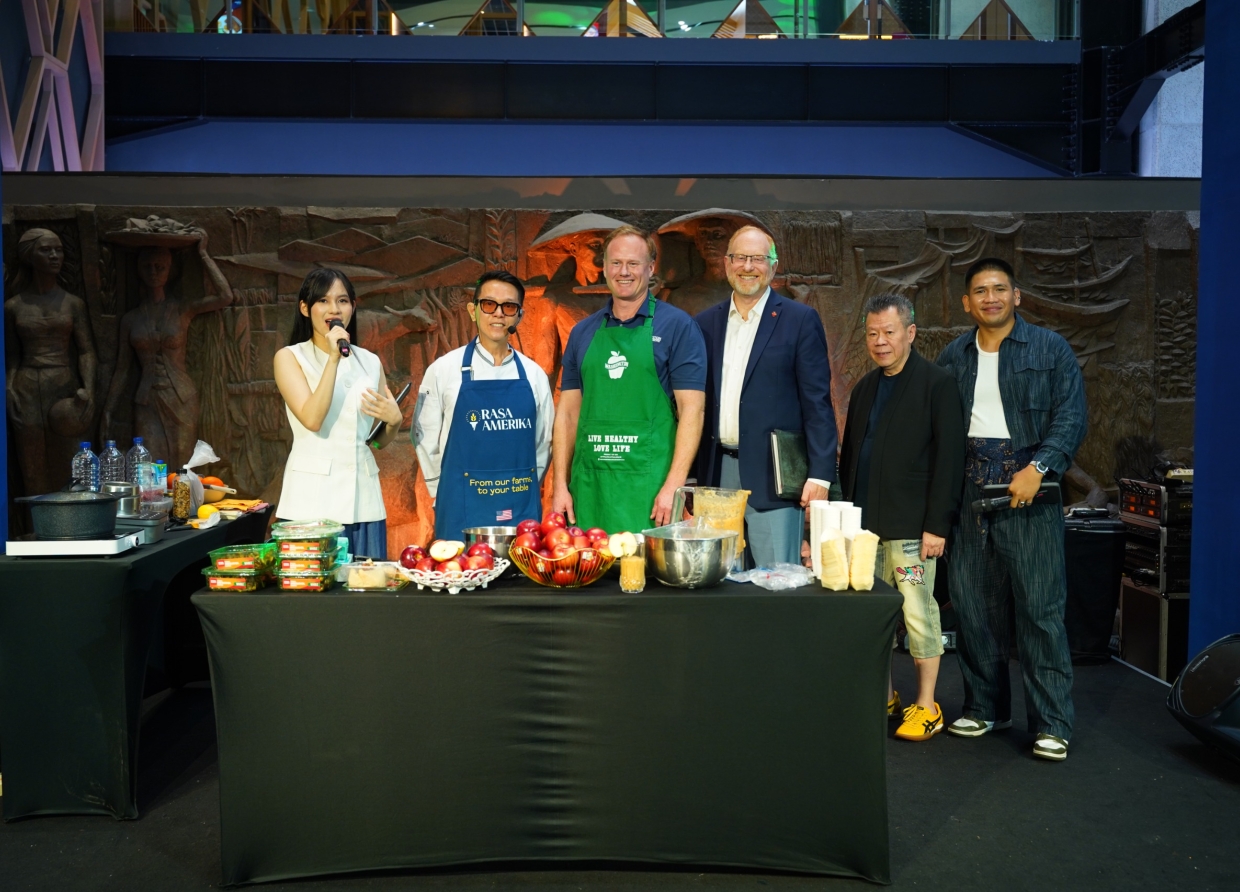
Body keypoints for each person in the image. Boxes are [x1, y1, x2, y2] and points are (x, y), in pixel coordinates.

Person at [937, 257, 1087, 762]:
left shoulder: (1050, 348)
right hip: (970, 492)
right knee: (973, 607)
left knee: (1040, 612)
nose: (991, 298)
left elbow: (1071, 416)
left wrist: (1039, 467)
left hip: (1029, 490)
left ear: (1016, 296)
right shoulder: (953, 355)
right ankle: (984, 707)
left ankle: (1052, 724)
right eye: (980, 291)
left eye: (1000, 289)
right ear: (967, 302)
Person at [837, 293, 964, 741]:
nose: (880, 341)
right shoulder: (864, 388)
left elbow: (950, 461)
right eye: (872, 333)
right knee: (874, 618)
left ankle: (927, 705)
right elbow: (851, 459)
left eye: (889, 332)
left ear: (910, 333)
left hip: (913, 532)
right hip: (865, 531)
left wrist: (937, 526)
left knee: (918, 614)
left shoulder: (937, 384)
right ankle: (886, 696)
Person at [693, 226, 836, 567]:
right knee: (718, 580)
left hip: (775, 478)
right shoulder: (704, 324)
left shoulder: (800, 320)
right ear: (727, 264)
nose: (748, 266)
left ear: (773, 266)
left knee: (777, 584)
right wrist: (690, 475)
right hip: (715, 477)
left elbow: (817, 403)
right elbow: (693, 405)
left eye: (758, 258)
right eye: (740, 257)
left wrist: (820, 475)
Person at [551, 225, 707, 533]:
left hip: (651, 492)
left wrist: (674, 487)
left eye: (633, 263)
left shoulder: (678, 327)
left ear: (651, 268)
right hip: (590, 489)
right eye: (616, 263)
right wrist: (559, 486)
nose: (624, 272)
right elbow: (567, 415)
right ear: (605, 267)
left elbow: (693, 411)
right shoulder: (582, 332)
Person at [413, 270, 554, 540]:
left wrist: (526, 485)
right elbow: (423, 436)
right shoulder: (443, 370)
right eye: (489, 304)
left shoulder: (534, 375)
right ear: (472, 310)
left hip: (519, 503)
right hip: (459, 503)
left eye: (509, 306)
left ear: (519, 315)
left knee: (521, 567)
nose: (498, 313)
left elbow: (543, 441)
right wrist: (440, 490)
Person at [274, 268, 403, 559]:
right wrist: (333, 358)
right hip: (311, 502)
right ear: (305, 308)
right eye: (323, 300)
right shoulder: (290, 357)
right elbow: (312, 419)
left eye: (342, 301)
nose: (334, 309)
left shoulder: (370, 361)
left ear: (352, 307)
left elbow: (376, 442)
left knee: (365, 584)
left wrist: (394, 421)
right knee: (313, 584)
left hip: (364, 501)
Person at [101, 233, 234, 470]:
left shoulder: (183, 309)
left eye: (160, 266)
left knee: (184, 467)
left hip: (181, 398)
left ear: (169, 270)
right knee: (150, 466)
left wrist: (203, 254)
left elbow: (225, 296)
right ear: (139, 270)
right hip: (147, 401)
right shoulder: (131, 320)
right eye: (147, 266)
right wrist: (108, 410)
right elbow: (122, 369)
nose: (153, 271)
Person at [4, 228, 99, 497]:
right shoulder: (13, 306)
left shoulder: (73, 304)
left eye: (58, 250)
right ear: (29, 256)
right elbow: (12, 354)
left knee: (69, 462)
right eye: (46, 250)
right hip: (26, 388)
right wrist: (8, 388)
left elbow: (86, 351)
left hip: (63, 385)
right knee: (31, 465)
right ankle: (36, 521)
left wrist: (89, 390)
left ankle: (72, 518)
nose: (55, 255)